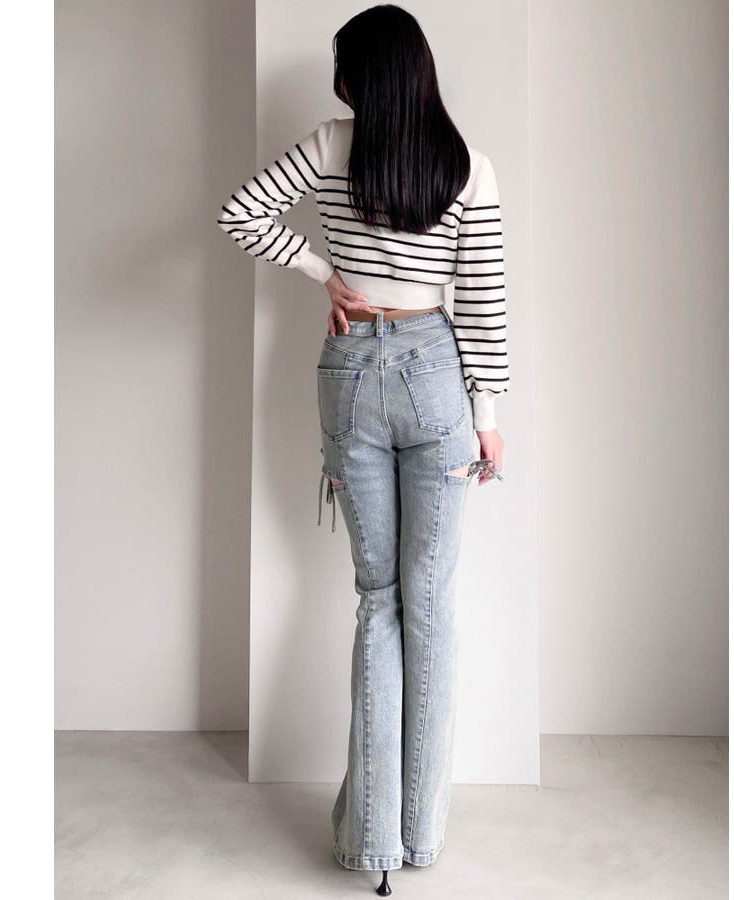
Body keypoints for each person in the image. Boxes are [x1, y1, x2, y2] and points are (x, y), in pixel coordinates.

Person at [216, 4, 509, 894]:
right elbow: (483, 302)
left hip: (347, 372)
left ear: (366, 77)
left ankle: (372, 845)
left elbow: (241, 214)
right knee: (430, 606)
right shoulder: (467, 167)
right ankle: (419, 838)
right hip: (435, 374)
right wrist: (488, 414)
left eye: (344, 65)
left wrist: (325, 275)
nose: (337, 81)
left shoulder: (331, 144)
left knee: (377, 602)